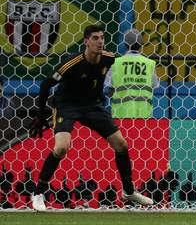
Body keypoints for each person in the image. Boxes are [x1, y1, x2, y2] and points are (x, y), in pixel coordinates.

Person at [28, 25, 153, 211]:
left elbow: (117, 68)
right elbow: (46, 84)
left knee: (121, 144)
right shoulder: (72, 63)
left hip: (92, 106)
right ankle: (38, 193)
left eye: (102, 37)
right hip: (67, 106)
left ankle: (128, 192)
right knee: (62, 148)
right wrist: (40, 114)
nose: (100, 41)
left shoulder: (109, 58)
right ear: (86, 41)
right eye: (95, 38)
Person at [105, 29, 159, 119]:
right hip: (144, 115)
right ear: (141, 43)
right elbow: (155, 85)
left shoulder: (115, 63)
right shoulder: (150, 64)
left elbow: (109, 91)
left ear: (125, 44)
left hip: (120, 115)